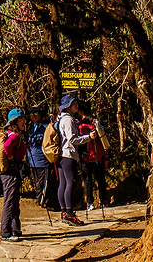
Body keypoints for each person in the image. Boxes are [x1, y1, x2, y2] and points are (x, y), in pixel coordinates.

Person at [56, 94, 97, 226]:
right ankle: (69, 213)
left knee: (63, 183)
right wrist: (88, 137)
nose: (76, 106)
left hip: (61, 155)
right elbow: (72, 139)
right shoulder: (68, 119)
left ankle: (64, 211)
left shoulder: (61, 118)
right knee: (70, 183)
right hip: (69, 154)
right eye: (74, 104)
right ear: (68, 106)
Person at [0, 108, 27, 242]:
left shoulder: (11, 134)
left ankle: (15, 228)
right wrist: (11, 157)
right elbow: (7, 147)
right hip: (11, 172)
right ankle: (5, 232)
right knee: (10, 201)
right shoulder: (14, 136)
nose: (23, 123)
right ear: (14, 123)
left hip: (11, 171)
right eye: (21, 120)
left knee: (14, 200)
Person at [77, 105, 108, 210]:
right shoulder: (96, 123)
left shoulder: (79, 125)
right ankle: (103, 200)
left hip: (86, 157)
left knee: (88, 181)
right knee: (100, 179)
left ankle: (90, 202)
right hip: (98, 155)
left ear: (81, 112)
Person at [26, 105, 51, 207]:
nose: (33, 116)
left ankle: (42, 202)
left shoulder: (46, 126)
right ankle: (39, 199)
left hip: (42, 160)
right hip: (32, 159)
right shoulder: (31, 127)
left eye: (36, 114)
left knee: (43, 183)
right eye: (31, 114)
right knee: (37, 182)